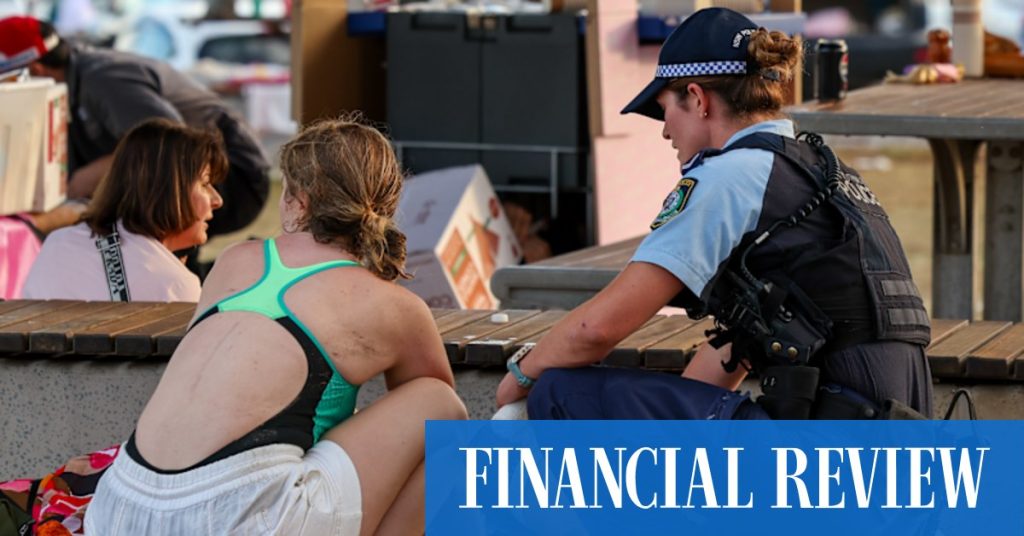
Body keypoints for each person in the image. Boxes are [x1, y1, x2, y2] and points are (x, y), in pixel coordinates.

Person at [496, 7, 933, 421]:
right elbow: (733, 353)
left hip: (828, 448)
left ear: (697, 98)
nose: (665, 131)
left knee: (559, 391)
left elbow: (596, 330)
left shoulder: (730, 176)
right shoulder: (820, 171)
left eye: (664, 110)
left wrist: (519, 379)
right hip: (884, 443)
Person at [85, 117, 467, 535]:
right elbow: (432, 431)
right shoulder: (394, 306)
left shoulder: (235, 260)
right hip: (236, 514)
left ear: (297, 199)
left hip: (118, 506)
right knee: (440, 403)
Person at [0, 16, 270, 238]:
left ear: (35, 70)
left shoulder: (103, 78)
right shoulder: (72, 80)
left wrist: (88, 176)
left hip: (234, 173)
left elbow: (168, 142)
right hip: (198, 172)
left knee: (134, 229)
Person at [22, 118, 225, 302]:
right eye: (205, 184)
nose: (217, 200)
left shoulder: (58, 243)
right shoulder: (175, 286)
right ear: (167, 191)